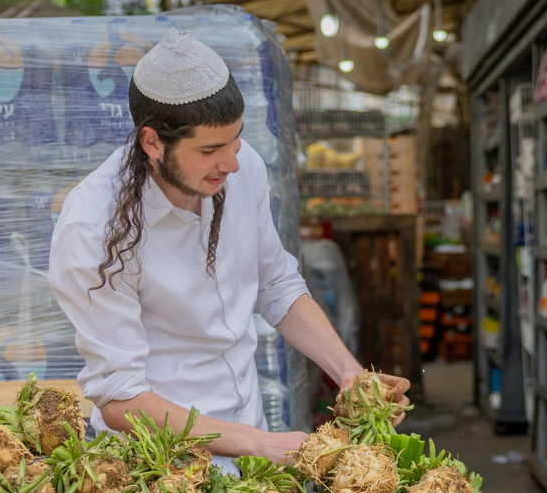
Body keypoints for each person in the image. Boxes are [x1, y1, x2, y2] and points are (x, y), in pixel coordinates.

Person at [48, 30, 407, 465]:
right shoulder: (93, 226)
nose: (231, 162)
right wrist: (257, 442)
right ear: (152, 143)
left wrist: (348, 372)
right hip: (157, 470)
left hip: (249, 451)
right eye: (211, 149)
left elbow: (276, 284)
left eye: (236, 140)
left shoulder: (241, 167)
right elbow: (121, 401)